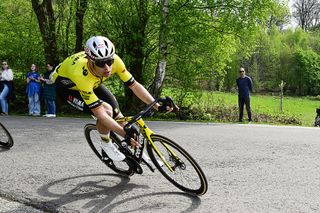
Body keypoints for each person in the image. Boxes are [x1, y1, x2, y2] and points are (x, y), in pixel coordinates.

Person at [51, 36, 172, 162]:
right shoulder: (80, 73)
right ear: (90, 61)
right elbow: (101, 114)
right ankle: (106, 143)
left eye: (109, 61)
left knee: (119, 116)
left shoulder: (116, 61)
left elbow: (134, 85)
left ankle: (140, 153)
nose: (107, 68)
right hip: (68, 89)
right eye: (101, 63)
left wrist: (157, 106)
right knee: (107, 111)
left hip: (93, 83)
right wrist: (124, 134)